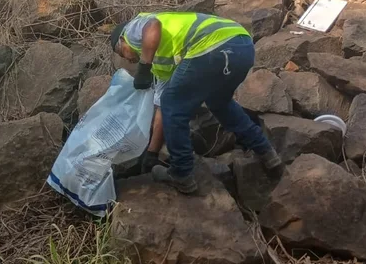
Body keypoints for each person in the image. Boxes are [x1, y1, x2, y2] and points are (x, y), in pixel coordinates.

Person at [110, 12, 282, 194]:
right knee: (220, 103)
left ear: (122, 40)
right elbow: (164, 108)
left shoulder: (131, 31)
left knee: (174, 104)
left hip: (212, 46)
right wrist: (152, 152)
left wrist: (144, 68)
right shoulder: (161, 64)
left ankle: (181, 173)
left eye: (121, 52)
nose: (126, 59)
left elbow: (153, 26)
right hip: (242, 47)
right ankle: (266, 152)